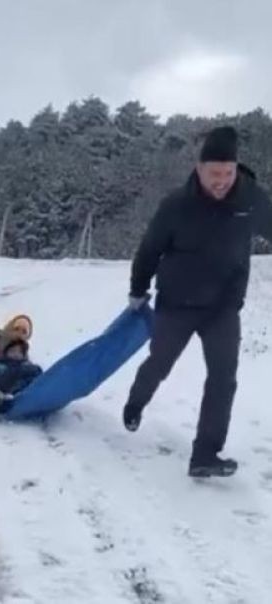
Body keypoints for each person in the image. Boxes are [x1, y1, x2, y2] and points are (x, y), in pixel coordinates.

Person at [125, 125, 272, 478]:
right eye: (214, 174)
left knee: (223, 377)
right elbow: (149, 250)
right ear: (200, 169)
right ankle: (136, 402)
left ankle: (205, 454)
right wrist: (138, 288)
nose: (221, 181)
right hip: (177, 302)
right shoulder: (176, 205)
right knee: (159, 363)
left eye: (228, 172)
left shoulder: (250, 199)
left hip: (223, 305)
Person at [0, 337, 43, 415]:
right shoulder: (0, 364)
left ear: (23, 355)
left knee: (27, 379)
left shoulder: (25, 365)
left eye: (19, 352)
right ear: (6, 353)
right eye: (12, 351)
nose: (16, 354)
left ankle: (11, 396)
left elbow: (36, 372)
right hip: (0, 387)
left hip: (19, 391)